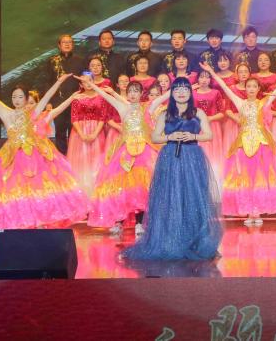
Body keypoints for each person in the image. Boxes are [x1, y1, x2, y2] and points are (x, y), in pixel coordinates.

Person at [0, 76, 89, 232]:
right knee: (15, 191)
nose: (17, 100)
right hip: (13, 157)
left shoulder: (32, 113)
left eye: (20, 97)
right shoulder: (6, 113)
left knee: (36, 190)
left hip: (32, 157)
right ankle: (20, 223)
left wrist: (59, 82)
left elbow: (47, 97)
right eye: (14, 97)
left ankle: (39, 221)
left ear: (27, 99)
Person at [121, 77, 222, 261]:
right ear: (172, 93)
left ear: (190, 92)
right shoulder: (164, 114)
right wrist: (171, 137)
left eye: (185, 89)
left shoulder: (198, 112)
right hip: (170, 158)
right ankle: (170, 240)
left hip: (192, 157)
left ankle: (195, 240)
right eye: (177, 89)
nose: (181, 92)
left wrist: (192, 136)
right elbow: (155, 137)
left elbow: (209, 135)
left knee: (193, 198)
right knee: (170, 197)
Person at [201, 62, 276, 225]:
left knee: (261, 177)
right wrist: (211, 71)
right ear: (245, 89)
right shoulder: (240, 102)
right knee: (246, 176)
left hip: (262, 143)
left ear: (258, 89)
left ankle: (258, 212)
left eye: (254, 86)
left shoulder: (263, 102)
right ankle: (250, 212)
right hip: (244, 143)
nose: (251, 89)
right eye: (249, 86)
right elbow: (225, 87)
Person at [87, 79, 170, 235]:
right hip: (125, 152)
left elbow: (165, 96)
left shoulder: (148, 107)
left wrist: (183, 84)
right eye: (130, 91)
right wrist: (91, 85)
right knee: (121, 187)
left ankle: (139, 223)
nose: (132, 94)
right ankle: (119, 222)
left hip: (144, 152)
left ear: (141, 93)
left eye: (136, 91)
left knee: (140, 187)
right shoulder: (122, 107)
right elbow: (104, 96)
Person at [67, 57, 115, 198]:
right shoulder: (77, 97)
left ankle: (95, 192)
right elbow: (74, 118)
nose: (88, 83)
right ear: (81, 83)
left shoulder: (101, 97)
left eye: (90, 81)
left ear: (94, 82)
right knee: (80, 161)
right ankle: (80, 193)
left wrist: (95, 133)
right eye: (85, 81)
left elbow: (103, 117)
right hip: (79, 133)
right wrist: (82, 134)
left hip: (97, 131)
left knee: (96, 161)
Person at [46, 34, 86, 153]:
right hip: (58, 102)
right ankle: (62, 157)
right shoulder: (53, 61)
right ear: (59, 45)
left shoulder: (80, 60)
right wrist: (49, 102)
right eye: (64, 42)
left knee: (75, 131)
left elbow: (85, 80)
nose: (67, 44)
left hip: (76, 102)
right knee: (60, 132)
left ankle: (74, 156)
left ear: (73, 45)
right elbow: (48, 82)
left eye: (70, 42)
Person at [192, 68, 227, 181]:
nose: (204, 80)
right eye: (201, 77)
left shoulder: (216, 93)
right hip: (197, 127)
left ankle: (215, 177)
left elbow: (222, 112)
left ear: (210, 80)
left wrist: (210, 118)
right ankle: (198, 177)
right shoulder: (192, 94)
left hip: (213, 126)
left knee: (214, 152)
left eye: (207, 77)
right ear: (197, 79)